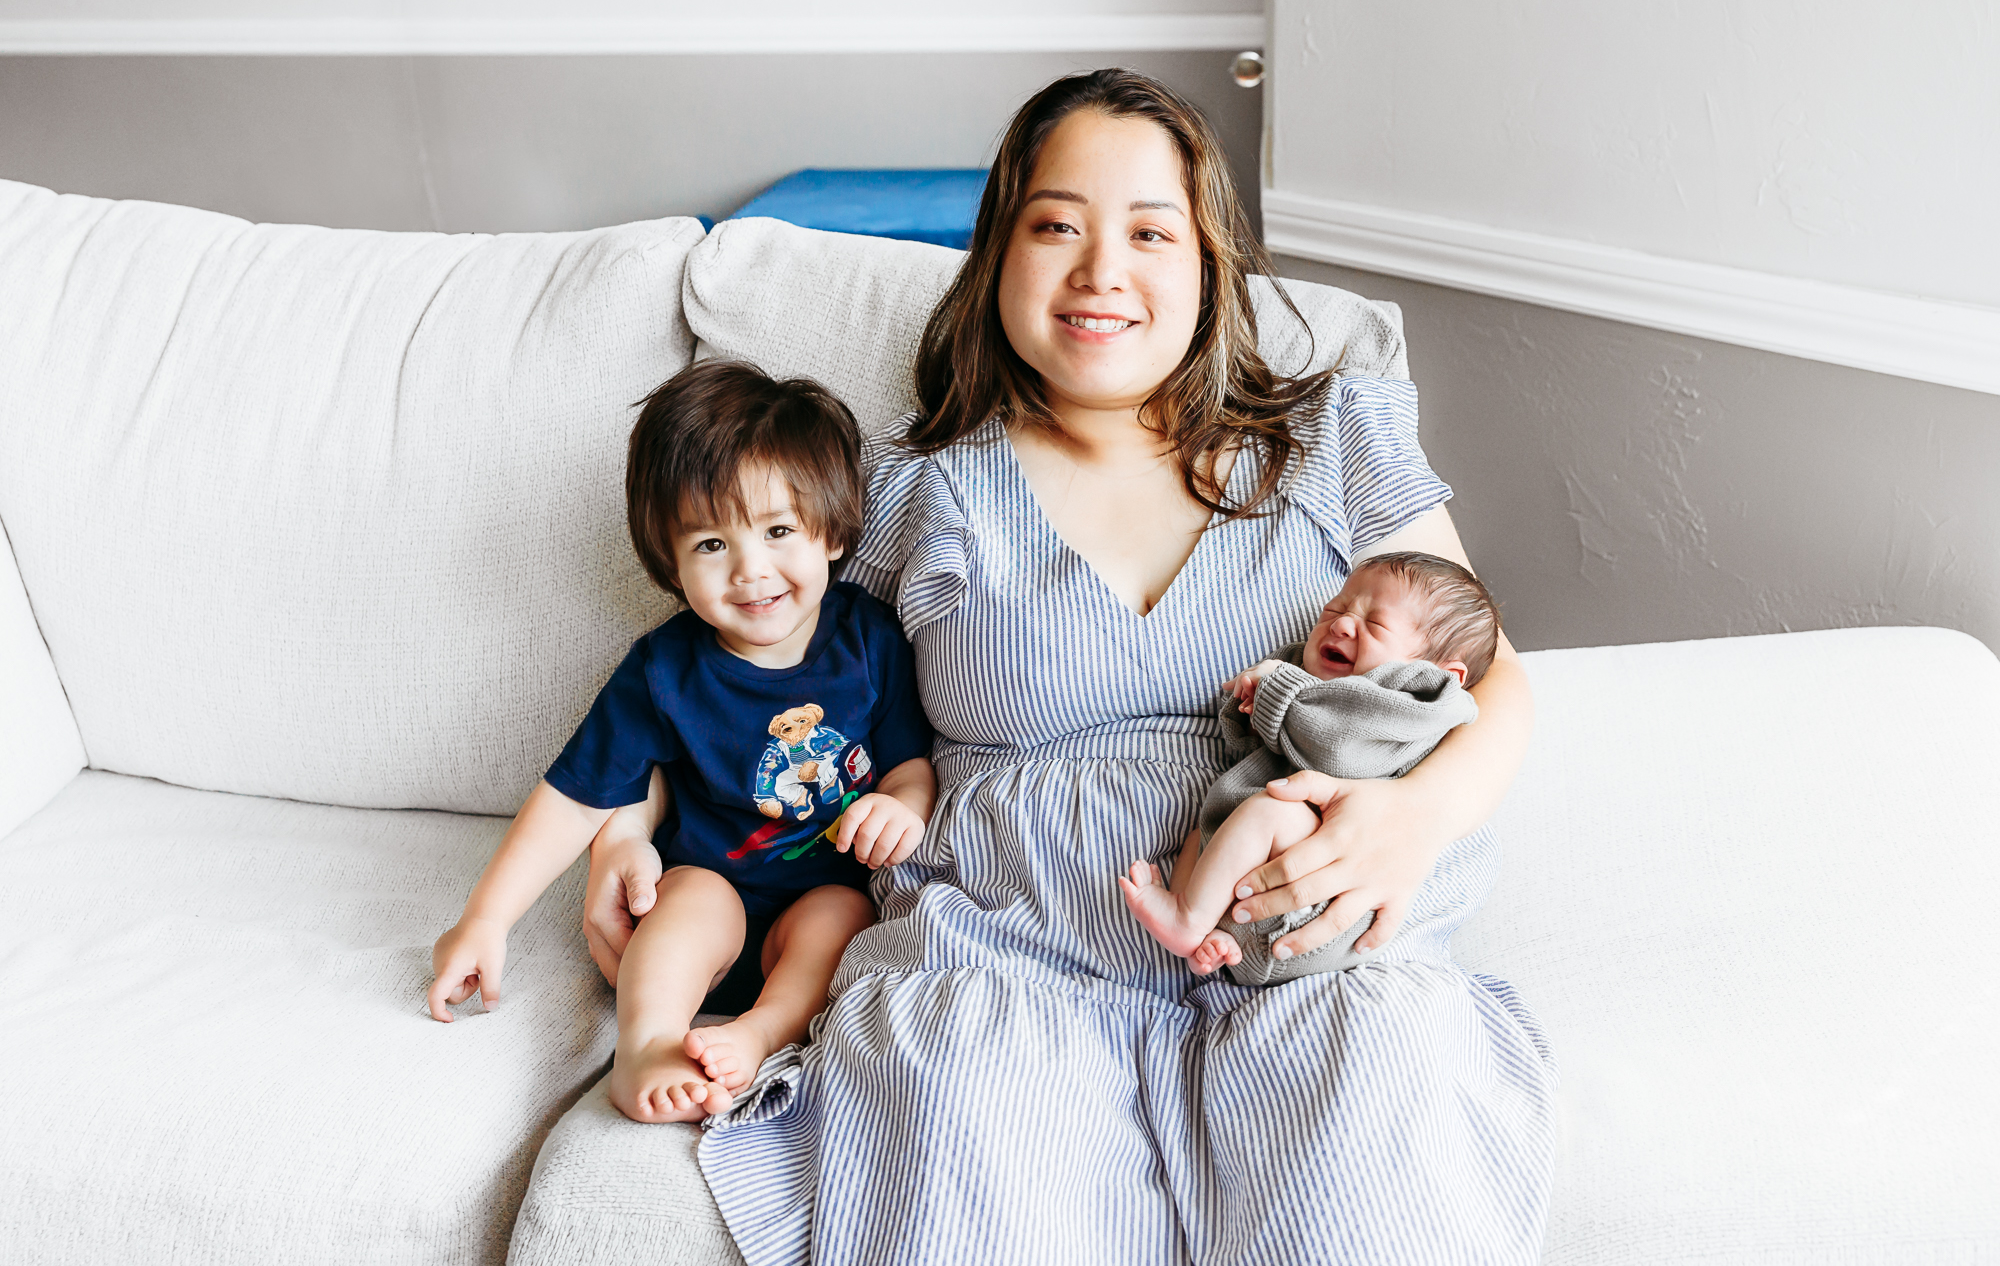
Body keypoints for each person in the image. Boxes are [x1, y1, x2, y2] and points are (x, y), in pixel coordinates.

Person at [585, 69, 1557, 1262]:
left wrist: (1413, 820)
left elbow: (1491, 677)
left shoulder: (1333, 439)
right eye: (1056, 226)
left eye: (1149, 232)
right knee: (964, 1161)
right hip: (1008, 954)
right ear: (996, 257)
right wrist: (625, 824)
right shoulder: (908, 491)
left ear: (1207, 267)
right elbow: (737, 658)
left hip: (1302, 940)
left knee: (1374, 1167)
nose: (1101, 271)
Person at [427, 360, 935, 1125]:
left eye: (778, 530)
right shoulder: (664, 671)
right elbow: (572, 797)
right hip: (709, 893)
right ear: (669, 560)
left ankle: (756, 1034)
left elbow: (910, 763)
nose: (750, 570)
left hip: (820, 898)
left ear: (831, 532)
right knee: (694, 900)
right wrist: (486, 918)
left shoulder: (870, 641)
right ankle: (650, 1046)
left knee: (840, 916)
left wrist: (902, 806)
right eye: (709, 544)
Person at [1120, 551, 1498, 982]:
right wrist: (1247, 704)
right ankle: (1215, 930)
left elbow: (1335, 745)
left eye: (1374, 624)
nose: (1340, 624)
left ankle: (1186, 919)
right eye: (1334, 610)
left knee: (1269, 811)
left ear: (1436, 674)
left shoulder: (1411, 707)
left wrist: (1276, 686)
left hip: (1329, 896)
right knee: (1205, 832)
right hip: (1279, 883)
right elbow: (1252, 749)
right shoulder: (1309, 675)